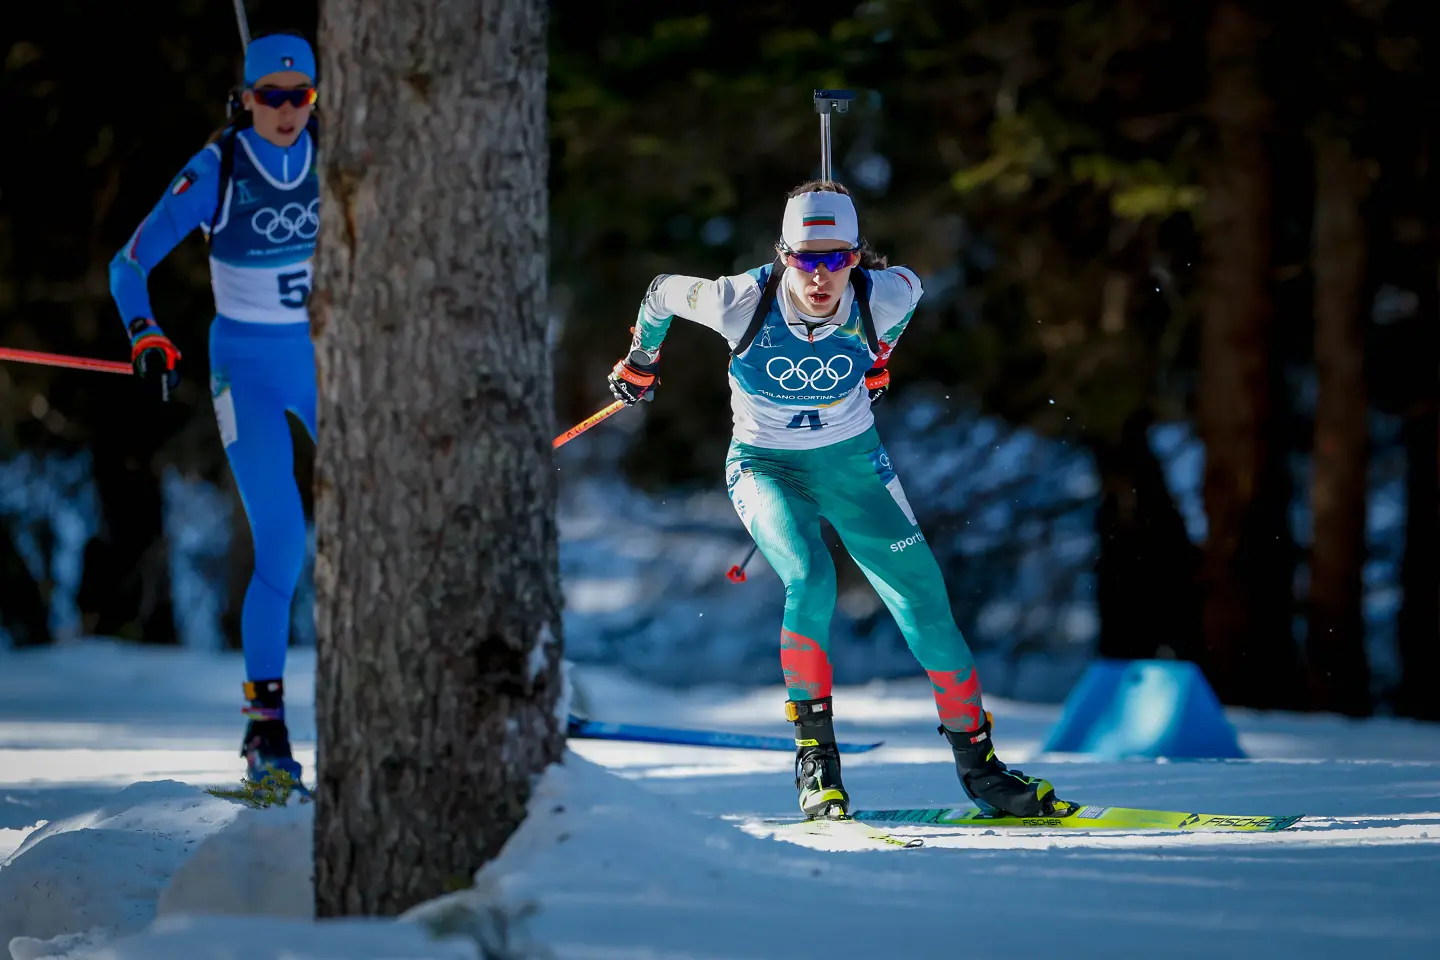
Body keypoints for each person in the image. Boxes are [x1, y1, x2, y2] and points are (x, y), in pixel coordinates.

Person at [606, 181, 1071, 819]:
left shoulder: (888, 294)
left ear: (856, 256)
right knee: (810, 577)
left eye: (837, 259)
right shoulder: (738, 300)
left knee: (925, 602)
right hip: (766, 468)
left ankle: (981, 770)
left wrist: (878, 358)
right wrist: (640, 360)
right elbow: (662, 291)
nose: (820, 276)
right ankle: (816, 764)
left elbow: (911, 293)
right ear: (783, 255)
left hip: (854, 466)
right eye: (805, 259)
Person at [108, 32, 319, 786]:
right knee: (282, 544)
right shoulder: (218, 168)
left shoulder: (336, 158)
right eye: (271, 96)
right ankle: (266, 731)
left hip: (325, 361)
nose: (286, 111)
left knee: (392, 511)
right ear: (246, 98)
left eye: (301, 97)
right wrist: (146, 334)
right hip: (246, 370)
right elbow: (127, 265)